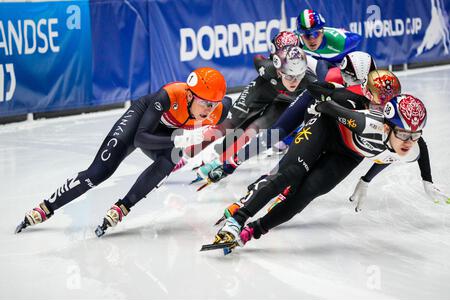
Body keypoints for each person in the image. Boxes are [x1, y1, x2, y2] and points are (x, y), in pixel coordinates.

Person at [210, 90, 445, 251]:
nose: (409, 141)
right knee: (291, 173)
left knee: (307, 193)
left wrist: (368, 180)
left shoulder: (411, 146)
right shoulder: (366, 124)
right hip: (325, 128)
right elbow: (327, 105)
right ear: (386, 127)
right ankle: (238, 218)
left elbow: (398, 154)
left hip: (348, 154)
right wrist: (315, 109)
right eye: (403, 134)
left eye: (415, 135)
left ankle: (253, 231)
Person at [15, 67, 231, 237]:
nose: (209, 110)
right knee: (99, 172)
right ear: (190, 95)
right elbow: (141, 138)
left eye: (213, 105)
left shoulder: (220, 110)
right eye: (205, 104)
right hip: (141, 123)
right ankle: (46, 207)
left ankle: (123, 206)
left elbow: (231, 123)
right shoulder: (170, 95)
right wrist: (185, 138)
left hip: (167, 133)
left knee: (170, 160)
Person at [205, 51, 377, 184]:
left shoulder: (379, 94)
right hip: (316, 106)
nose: (356, 85)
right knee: (277, 134)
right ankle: (233, 163)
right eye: (350, 78)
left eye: (361, 81)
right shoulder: (329, 78)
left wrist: (366, 180)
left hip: (339, 125)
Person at [185, 32, 317, 181]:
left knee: (252, 130)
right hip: (262, 92)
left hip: (283, 102)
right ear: (276, 60)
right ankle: (185, 156)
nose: (293, 74)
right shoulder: (267, 68)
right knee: (228, 126)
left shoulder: (308, 79)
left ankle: (219, 160)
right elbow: (258, 60)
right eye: (287, 71)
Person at [296, 9, 362, 82]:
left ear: (322, 32)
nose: (312, 40)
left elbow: (358, 38)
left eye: (315, 34)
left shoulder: (339, 43)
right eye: (307, 36)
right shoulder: (296, 41)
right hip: (323, 62)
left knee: (321, 64)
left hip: (345, 62)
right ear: (301, 36)